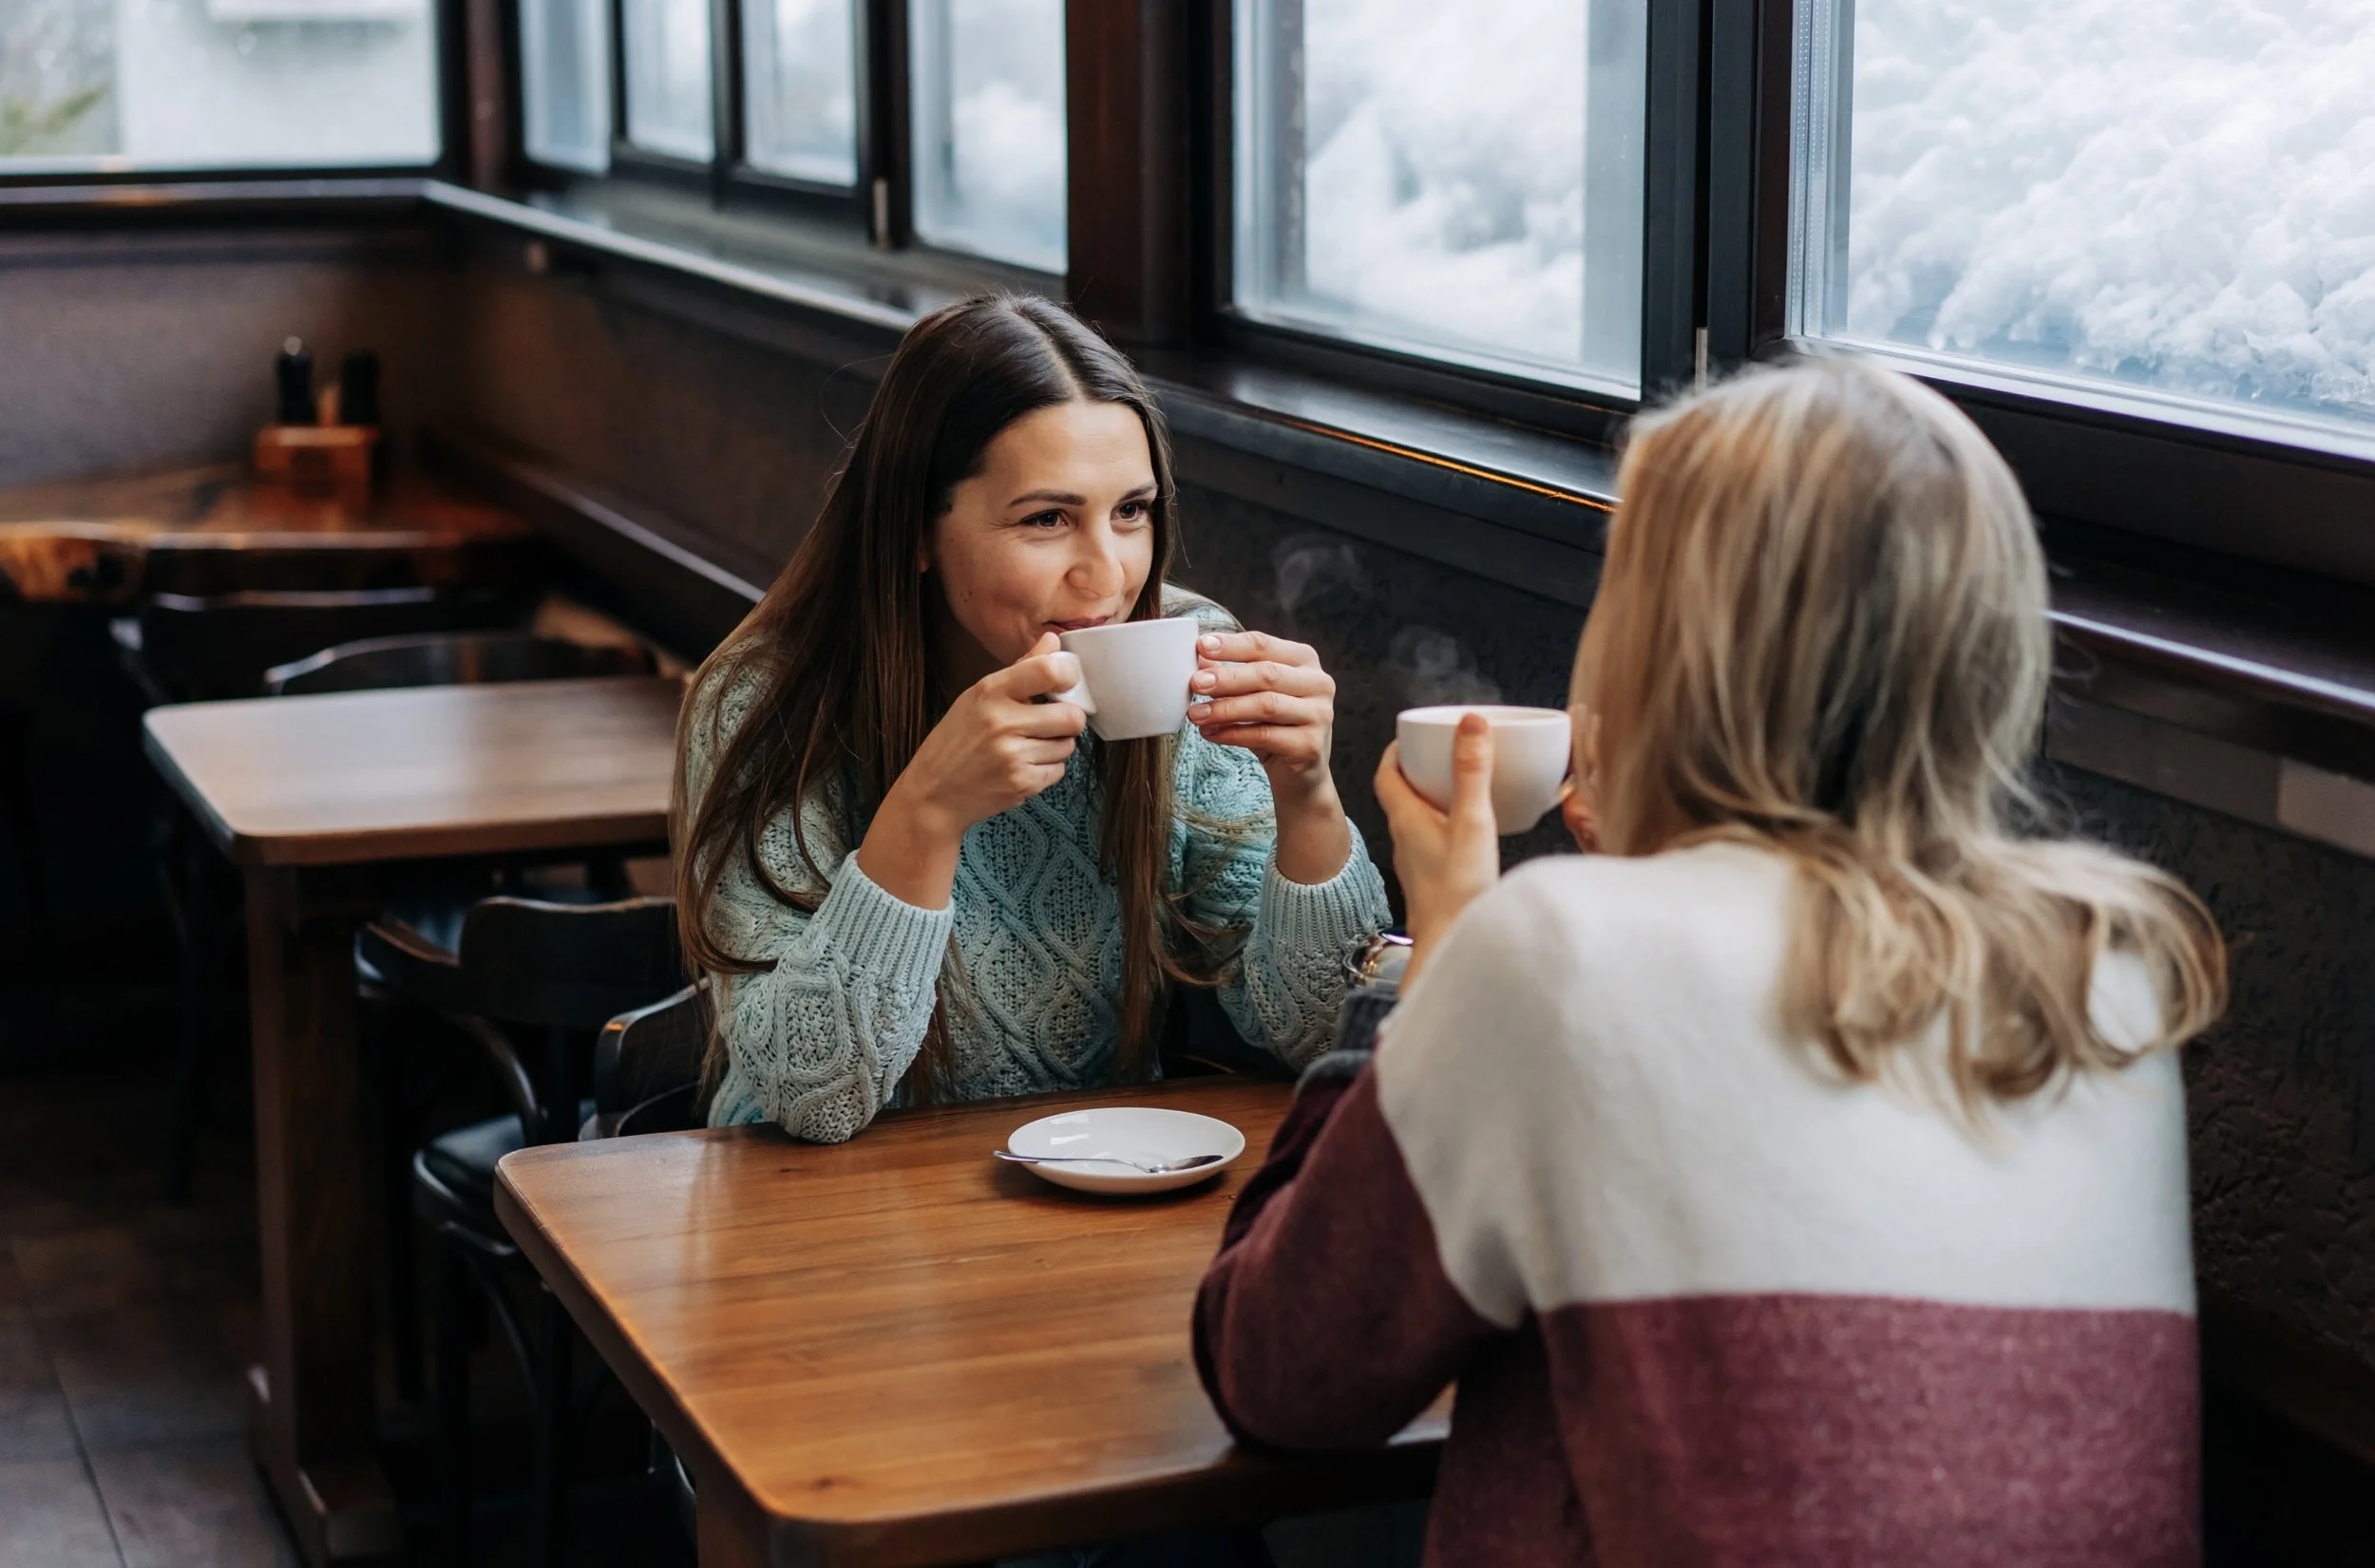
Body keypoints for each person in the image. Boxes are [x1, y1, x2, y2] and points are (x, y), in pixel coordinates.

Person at [1193, 362, 2228, 1566]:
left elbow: (1278, 1370)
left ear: (1662, 646)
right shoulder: (2109, 970)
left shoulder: (1558, 953)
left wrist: (1436, 960)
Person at [673, 293, 1389, 1143]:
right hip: (810, 1213)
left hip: (1096, 1194)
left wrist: (1307, 792)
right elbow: (814, 1097)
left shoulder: (1190, 657)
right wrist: (928, 812)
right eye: (1047, 518)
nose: (1108, 575)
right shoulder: (766, 705)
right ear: (915, 531)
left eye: (1131, 511)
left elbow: (1322, 1036)